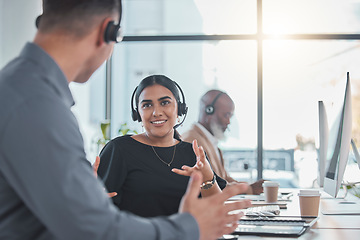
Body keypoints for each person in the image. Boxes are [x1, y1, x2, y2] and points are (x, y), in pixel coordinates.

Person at [0, 1, 251, 239]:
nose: (157, 112)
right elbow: (97, 231)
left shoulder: (20, 90)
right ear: (107, 31)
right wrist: (190, 228)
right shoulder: (37, 104)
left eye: (165, 103)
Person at [97, 75, 227, 217]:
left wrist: (207, 177)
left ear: (179, 108)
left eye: (165, 103)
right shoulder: (119, 149)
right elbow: (98, 209)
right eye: (147, 105)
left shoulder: (192, 153)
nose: (156, 112)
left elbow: (216, 210)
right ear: (138, 114)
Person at [182, 89, 264, 195]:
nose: (228, 122)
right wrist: (248, 189)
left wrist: (249, 187)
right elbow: (209, 185)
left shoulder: (210, 141)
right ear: (209, 111)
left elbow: (224, 180)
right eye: (226, 115)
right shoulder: (192, 141)